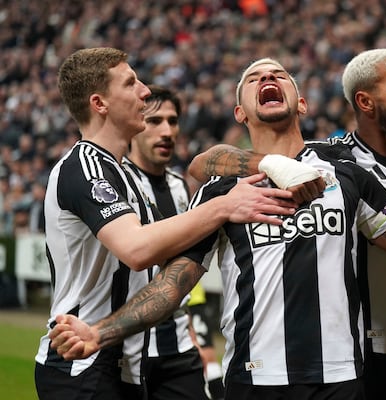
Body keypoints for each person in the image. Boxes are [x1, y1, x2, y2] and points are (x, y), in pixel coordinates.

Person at [48, 57, 386, 400]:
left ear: (301, 103)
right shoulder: (221, 192)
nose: (267, 79)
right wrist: (101, 331)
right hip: (254, 381)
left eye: (279, 75)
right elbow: (170, 287)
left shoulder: (346, 176)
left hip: (342, 381)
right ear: (240, 110)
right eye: (254, 78)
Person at [34, 48, 300, 400]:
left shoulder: (119, 172)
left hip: (121, 359)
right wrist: (223, 206)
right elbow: (137, 249)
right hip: (82, 362)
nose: (145, 91)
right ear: (100, 104)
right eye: (131, 83)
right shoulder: (87, 167)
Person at [120, 84, 221, 399]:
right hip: (125, 347)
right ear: (136, 124)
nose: (166, 131)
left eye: (173, 121)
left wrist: (200, 336)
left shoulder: (180, 187)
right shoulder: (115, 181)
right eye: (154, 121)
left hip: (177, 346)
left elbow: (189, 267)